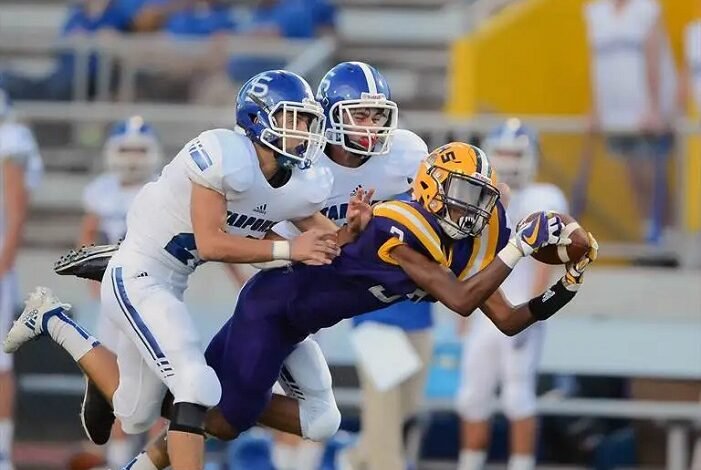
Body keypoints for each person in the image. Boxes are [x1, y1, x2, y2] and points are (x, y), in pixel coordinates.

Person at [6, 142, 597, 470]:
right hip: (274, 310)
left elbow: (509, 318)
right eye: (464, 195)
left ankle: (144, 391)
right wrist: (520, 245)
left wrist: (566, 281)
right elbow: (463, 301)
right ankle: (62, 323)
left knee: (320, 422)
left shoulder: (460, 242)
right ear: (429, 188)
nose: (472, 209)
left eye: (480, 198)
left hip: (302, 329)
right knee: (212, 417)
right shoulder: (404, 226)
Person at [11, 69, 341, 470]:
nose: (305, 130)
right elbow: (211, 243)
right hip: (139, 273)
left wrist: (358, 228)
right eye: (295, 118)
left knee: (133, 412)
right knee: (194, 383)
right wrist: (290, 249)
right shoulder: (224, 155)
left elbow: (331, 241)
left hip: (172, 281)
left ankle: (51, 318)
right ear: (258, 119)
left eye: (307, 120)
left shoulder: (294, 181)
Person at [272, 61, 428, 470]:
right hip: (319, 283)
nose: (371, 126)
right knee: (368, 398)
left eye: (378, 115)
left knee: (407, 403)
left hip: (399, 290)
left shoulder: (406, 153)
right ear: (331, 114)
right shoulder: (303, 164)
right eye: (359, 114)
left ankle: (353, 459)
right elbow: (274, 235)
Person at [456, 119, 569, 470]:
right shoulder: (478, 194)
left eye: (515, 154)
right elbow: (468, 256)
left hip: (519, 308)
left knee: (518, 398)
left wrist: (531, 314)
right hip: (483, 311)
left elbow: (544, 265)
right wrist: (463, 311)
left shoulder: (544, 197)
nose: (508, 161)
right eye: (502, 153)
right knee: (472, 397)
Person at [78, 116, 164, 468]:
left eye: (138, 150)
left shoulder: (161, 188)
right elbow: (88, 234)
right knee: (114, 384)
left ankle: (155, 460)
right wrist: (91, 278)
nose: (131, 157)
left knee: (161, 385)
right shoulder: (103, 190)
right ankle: (116, 461)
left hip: (152, 295)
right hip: (114, 297)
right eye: (125, 149)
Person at [583, 0, 678, 243]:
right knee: (632, 175)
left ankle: (669, 234)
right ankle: (649, 234)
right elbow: (596, 63)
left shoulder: (647, 10)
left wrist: (655, 107)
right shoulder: (595, 12)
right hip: (615, 115)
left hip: (644, 115)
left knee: (651, 174)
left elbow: (654, 57)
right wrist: (596, 107)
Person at [0, 87, 43, 470]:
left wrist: (4, 262)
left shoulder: (10, 137)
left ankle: (1, 450)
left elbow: (15, 209)